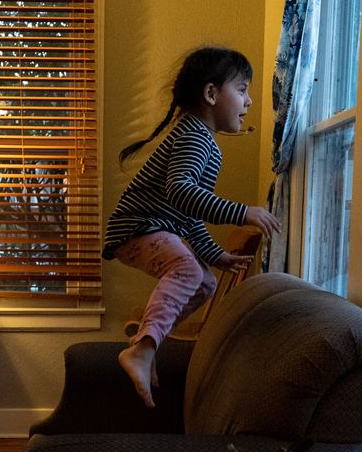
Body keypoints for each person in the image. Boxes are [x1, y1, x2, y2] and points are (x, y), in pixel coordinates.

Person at [105, 46, 282, 408]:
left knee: (204, 284)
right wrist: (241, 211)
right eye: (242, 89)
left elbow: (187, 212)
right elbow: (182, 193)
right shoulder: (193, 136)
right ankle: (143, 349)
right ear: (212, 93)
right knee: (187, 269)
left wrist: (214, 254)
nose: (248, 101)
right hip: (138, 227)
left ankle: (145, 344)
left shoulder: (201, 140)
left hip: (154, 227)